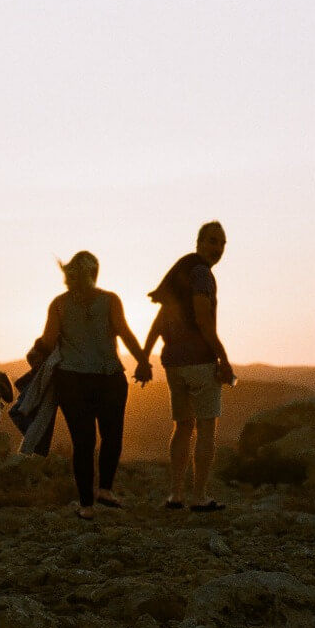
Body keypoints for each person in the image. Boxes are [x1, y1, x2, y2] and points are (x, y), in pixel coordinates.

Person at [33, 251, 152, 520]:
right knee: (103, 438)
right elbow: (124, 332)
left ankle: (91, 502)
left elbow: (49, 340)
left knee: (89, 441)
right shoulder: (104, 301)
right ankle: (98, 495)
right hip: (101, 378)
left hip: (79, 380)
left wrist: (36, 352)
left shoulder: (63, 304)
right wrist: (143, 362)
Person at [142, 221, 232, 512]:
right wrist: (224, 358)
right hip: (199, 362)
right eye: (212, 241)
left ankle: (175, 495)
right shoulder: (202, 275)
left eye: (222, 243)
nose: (217, 248)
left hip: (173, 363)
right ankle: (200, 497)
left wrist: (145, 356)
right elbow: (204, 321)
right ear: (199, 243)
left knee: (182, 427)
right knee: (206, 428)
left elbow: (159, 321)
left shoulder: (179, 274)